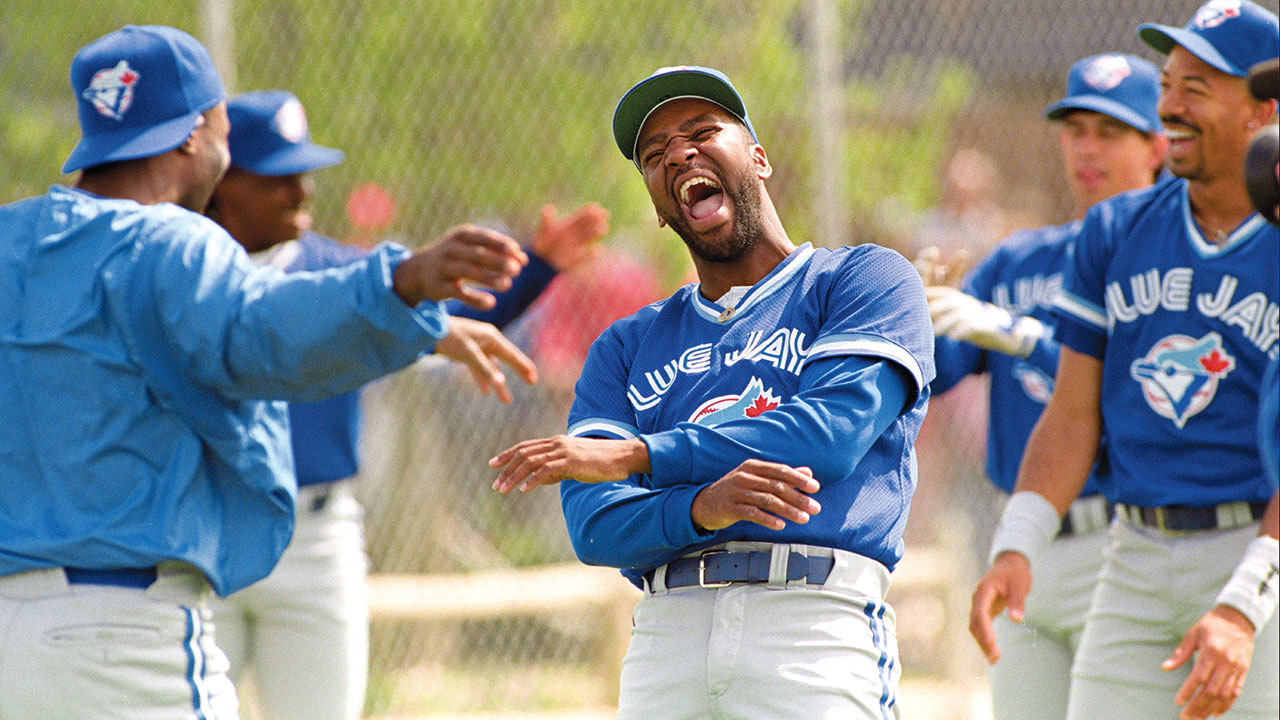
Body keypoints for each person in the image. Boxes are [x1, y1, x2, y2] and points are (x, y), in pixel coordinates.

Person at [0, 25, 535, 720]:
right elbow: (263, 332)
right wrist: (399, 282)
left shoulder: (14, 240)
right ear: (197, 133)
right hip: (124, 635)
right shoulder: (173, 242)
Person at [489, 66, 934, 718]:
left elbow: (829, 435)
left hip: (811, 624)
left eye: (700, 132)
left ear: (758, 158)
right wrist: (701, 507)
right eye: (654, 155)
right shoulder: (627, 343)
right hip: (669, 635)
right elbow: (595, 524)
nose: (678, 154)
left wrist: (641, 457)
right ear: (660, 211)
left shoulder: (861, 280)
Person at [204, 89, 608, 720]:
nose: (302, 192)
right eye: (279, 177)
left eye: (305, 174)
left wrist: (536, 269)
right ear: (222, 181)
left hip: (316, 536)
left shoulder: (339, 271)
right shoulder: (185, 273)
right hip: (210, 530)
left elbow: (443, 317)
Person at [969, 3, 1279, 719]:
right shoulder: (1117, 228)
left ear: (1262, 108)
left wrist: (1244, 602)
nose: (1169, 105)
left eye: (1196, 88)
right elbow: (1072, 413)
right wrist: (1017, 546)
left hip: (1257, 549)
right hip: (1133, 555)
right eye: (1168, 83)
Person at [924, 53, 1167, 719]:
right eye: (1076, 129)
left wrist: (1024, 336)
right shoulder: (1017, 259)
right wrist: (913, 317)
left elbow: (1138, 389)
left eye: (1110, 133)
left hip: (1124, 538)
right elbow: (939, 370)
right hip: (1023, 545)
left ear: (1158, 145)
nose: (1087, 149)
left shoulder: (1173, 261)